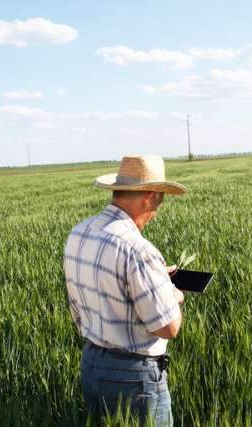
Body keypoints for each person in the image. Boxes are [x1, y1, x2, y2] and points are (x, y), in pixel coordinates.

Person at [64, 154, 187, 426]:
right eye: (160, 201)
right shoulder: (138, 249)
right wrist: (173, 294)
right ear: (150, 196)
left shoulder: (79, 232)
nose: (156, 212)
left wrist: (154, 279)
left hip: (91, 366)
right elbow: (167, 327)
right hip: (133, 380)